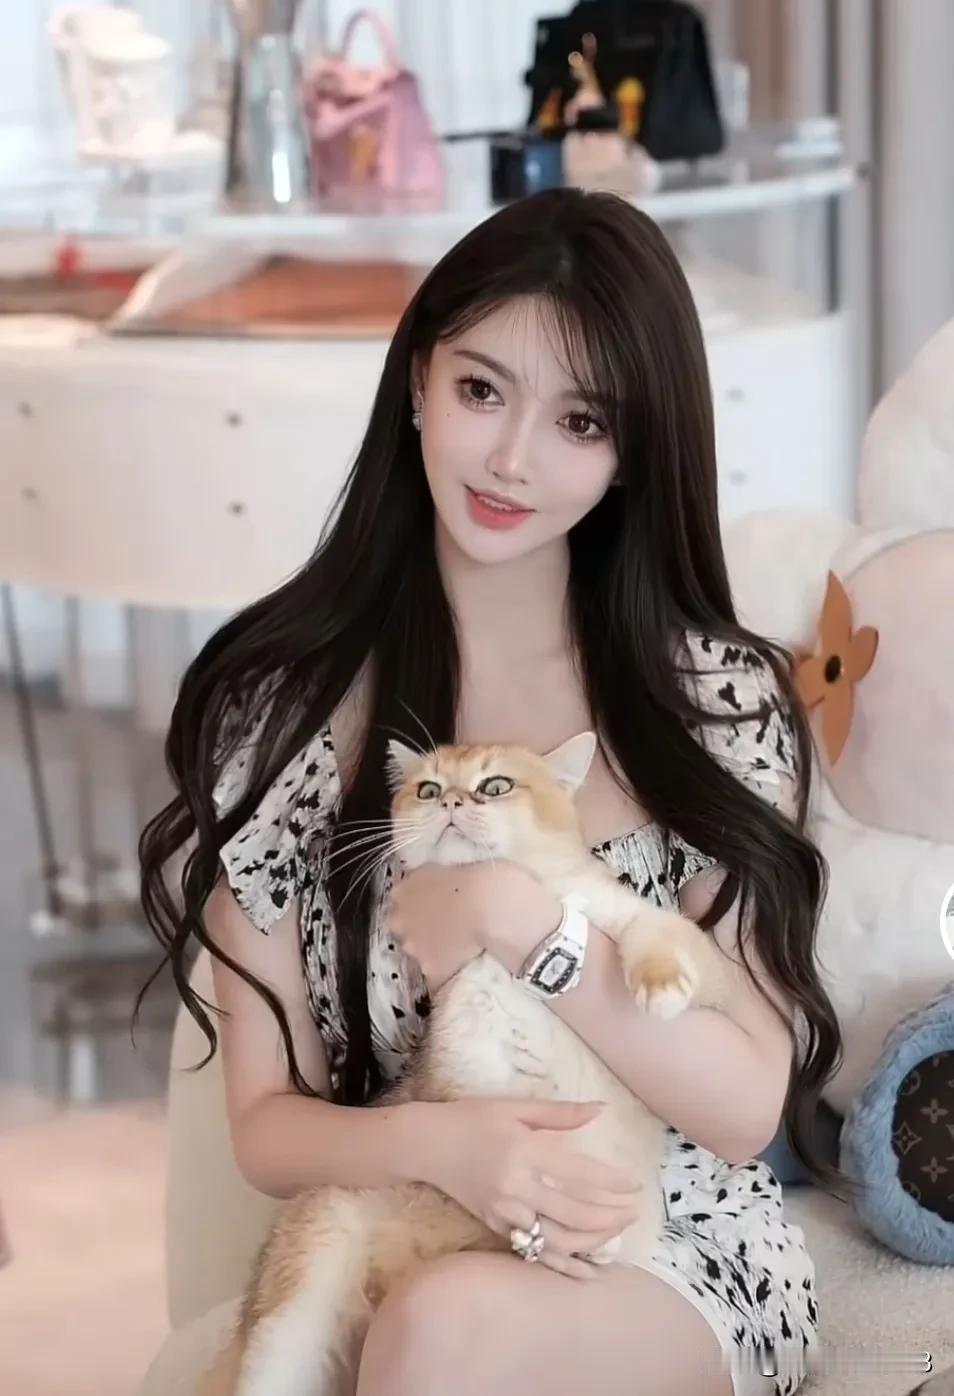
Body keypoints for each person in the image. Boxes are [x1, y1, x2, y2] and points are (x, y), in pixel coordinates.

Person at [139, 186, 843, 1396]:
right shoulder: (284, 712)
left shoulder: (711, 702)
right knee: (423, 1313)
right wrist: (448, 1146)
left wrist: (529, 926)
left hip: (664, 1246)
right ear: (418, 380)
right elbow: (265, 1122)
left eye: (580, 420)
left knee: (442, 1328)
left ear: (630, 456)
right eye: (481, 391)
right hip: (421, 1210)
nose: (515, 458)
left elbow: (741, 1108)